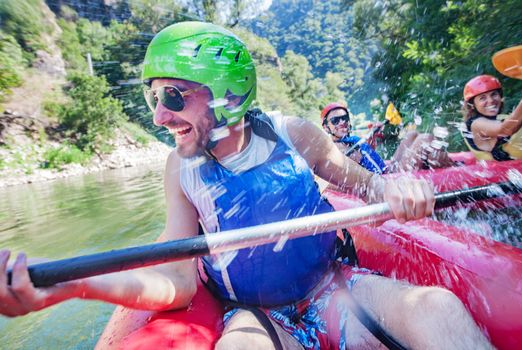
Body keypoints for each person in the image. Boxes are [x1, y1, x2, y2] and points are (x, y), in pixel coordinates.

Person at [1, 22, 492, 350]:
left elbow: (368, 187)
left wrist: (398, 191)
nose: (158, 115)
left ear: (226, 92)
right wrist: (74, 285)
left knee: (437, 307)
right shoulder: (181, 170)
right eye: (154, 98)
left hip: (334, 288)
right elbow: (176, 282)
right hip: (256, 315)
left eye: (172, 95)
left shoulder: (295, 135)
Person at [321, 103, 456, 173]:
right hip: (387, 181)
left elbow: (367, 158)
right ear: (326, 127)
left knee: (412, 135)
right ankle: (453, 167)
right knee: (425, 139)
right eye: (335, 120)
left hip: (388, 171)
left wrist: (374, 137)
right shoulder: (336, 150)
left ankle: (449, 164)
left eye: (344, 118)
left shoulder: (350, 141)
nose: (342, 122)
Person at [461, 74, 522, 161]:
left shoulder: (502, 118)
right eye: (482, 98)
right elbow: (506, 130)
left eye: (494, 94)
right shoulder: (476, 124)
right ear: (472, 105)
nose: (491, 100)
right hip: (509, 172)